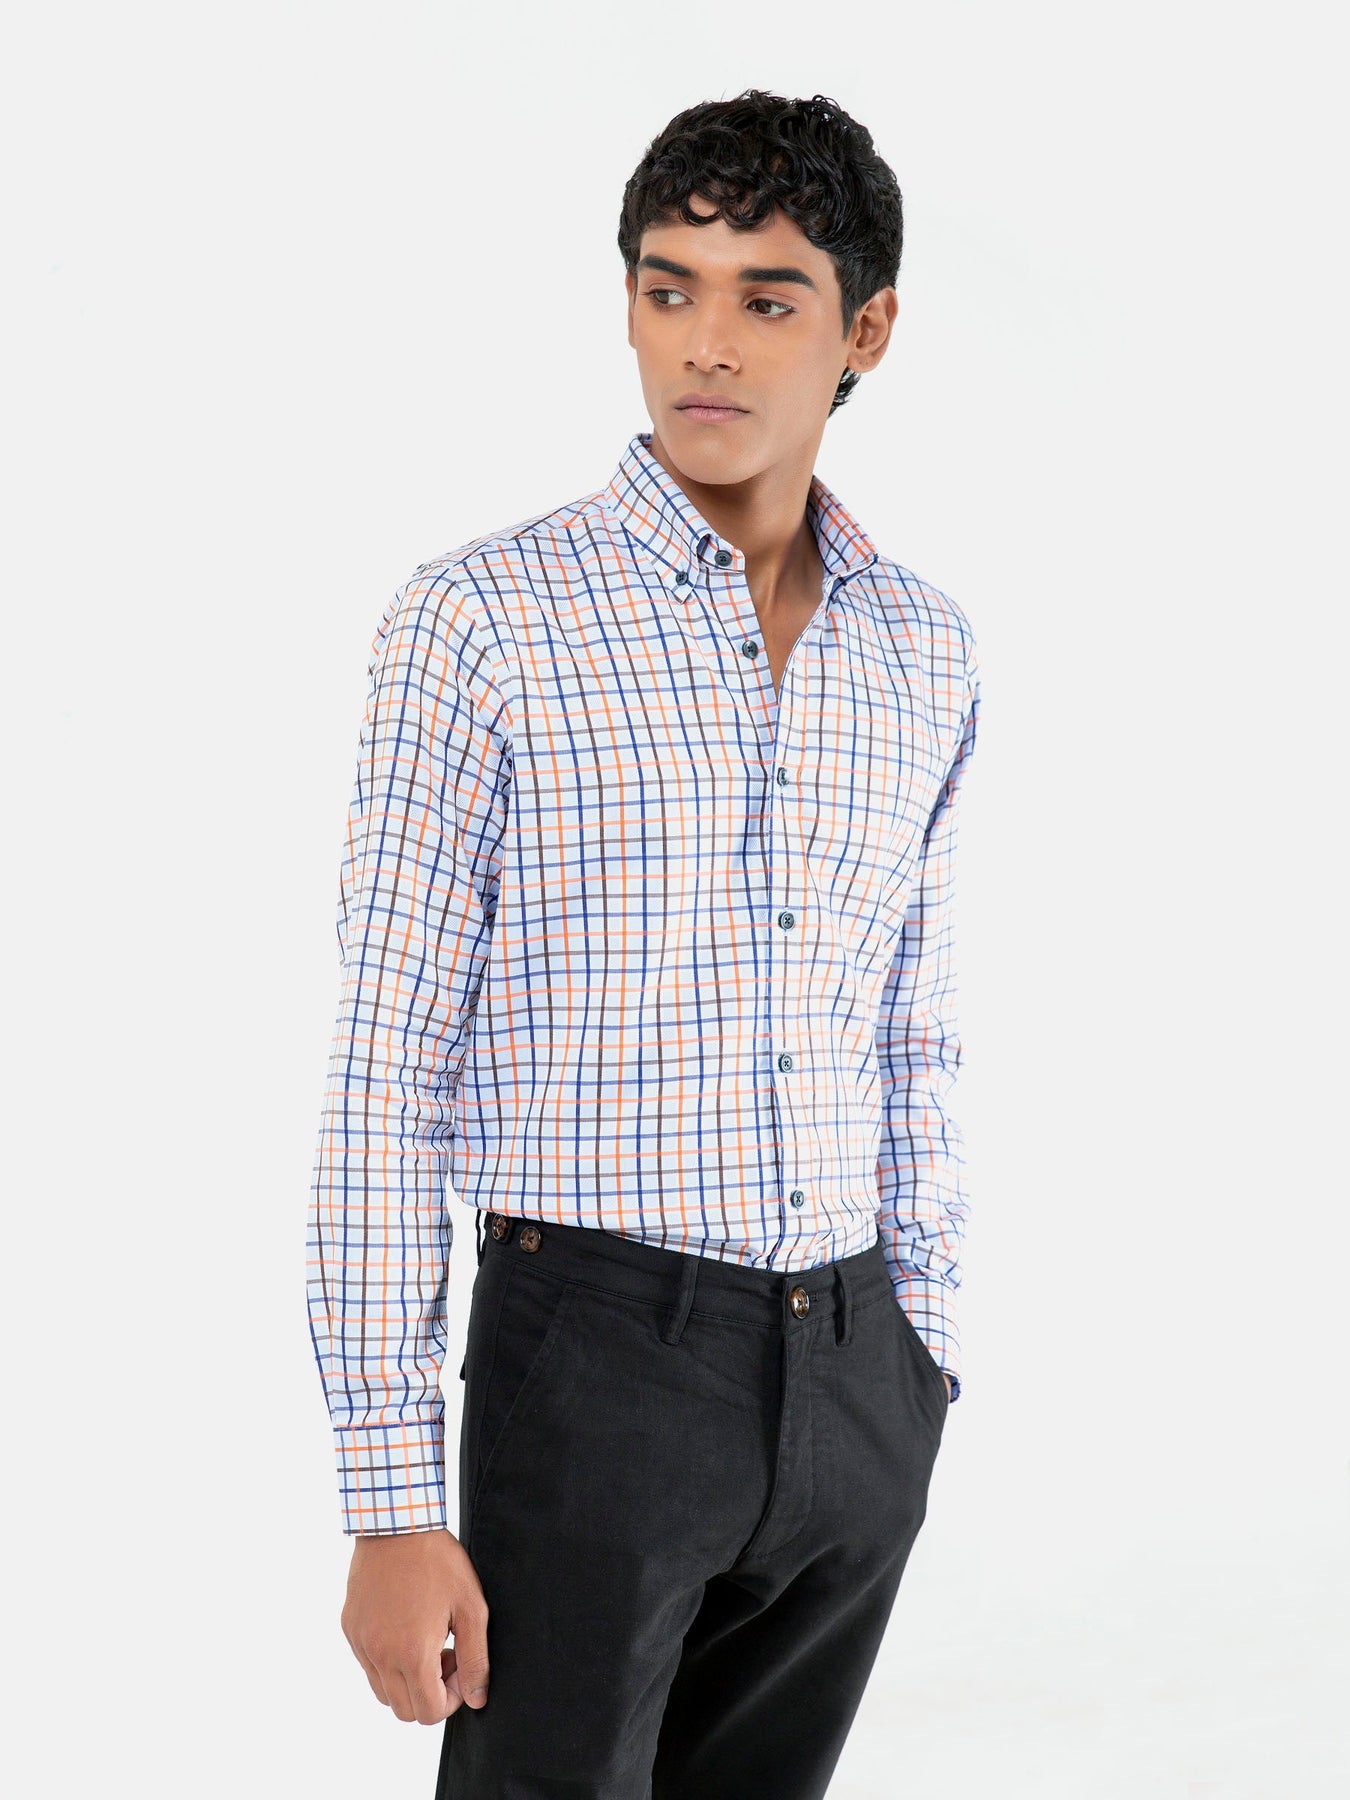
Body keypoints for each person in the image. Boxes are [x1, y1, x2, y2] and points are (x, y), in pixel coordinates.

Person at [306, 87, 982, 1799]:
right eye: (667, 288)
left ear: (863, 332)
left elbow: (914, 1022)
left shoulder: (921, 647)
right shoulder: (483, 619)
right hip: (594, 1357)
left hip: (854, 1369)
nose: (705, 343)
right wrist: (389, 1497)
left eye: (766, 298)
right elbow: (387, 1059)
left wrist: (921, 1355)